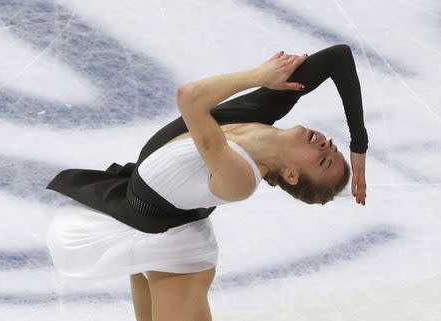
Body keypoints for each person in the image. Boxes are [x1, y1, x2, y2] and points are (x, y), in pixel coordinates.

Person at [46, 44, 368, 321]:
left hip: (175, 253)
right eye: (333, 148)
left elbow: (190, 99)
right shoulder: (266, 109)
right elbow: (338, 57)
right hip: (143, 221)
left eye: (323, 161)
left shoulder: (241, 177)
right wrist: (358, 143)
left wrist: (259, 76)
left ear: (292, 175)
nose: (326, 146)